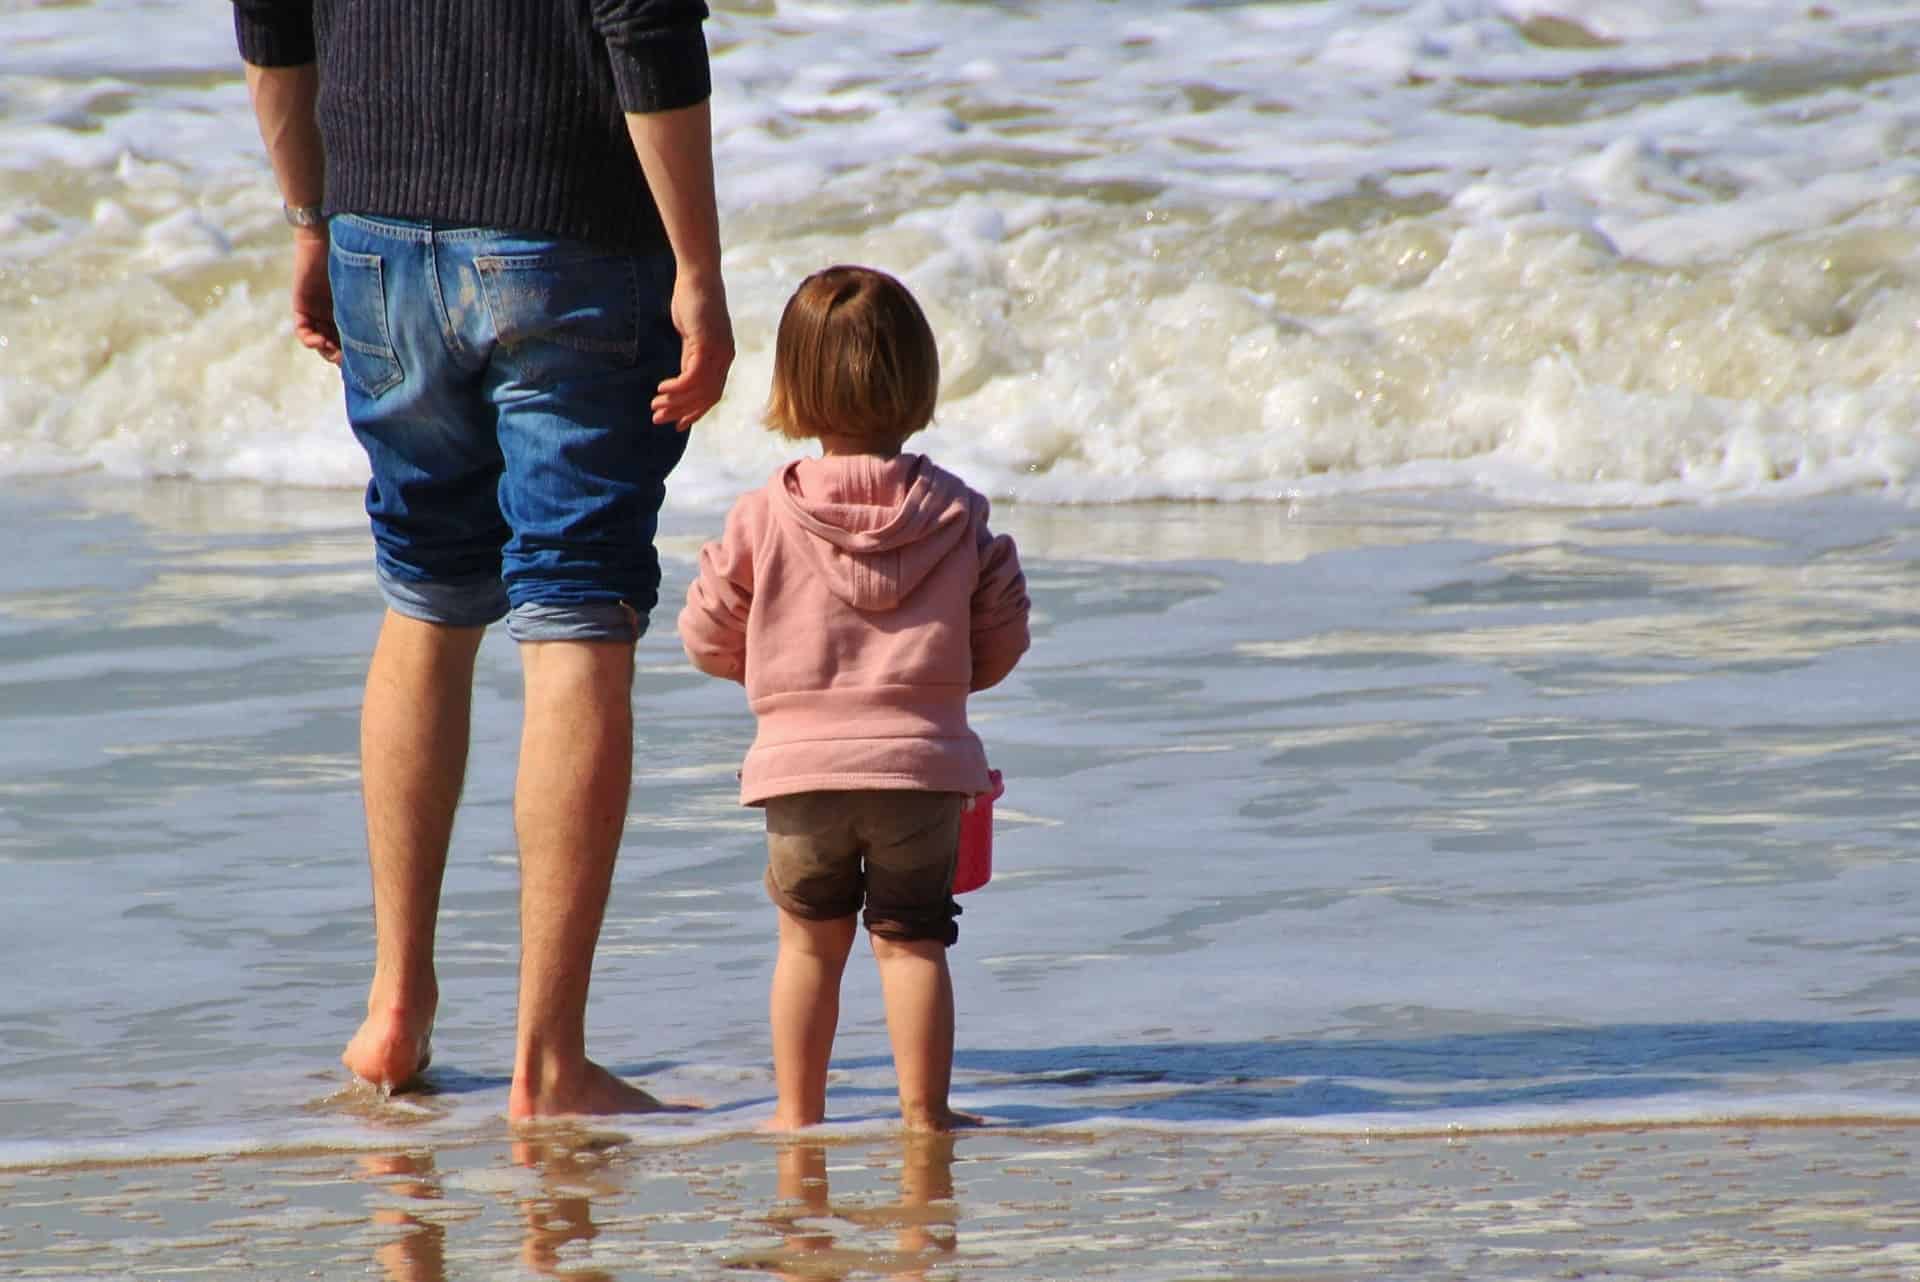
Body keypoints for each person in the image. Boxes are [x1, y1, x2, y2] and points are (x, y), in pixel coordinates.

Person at [231, 0, 734, 1118]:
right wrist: (698, 263)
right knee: (576, 611)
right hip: (568, 226)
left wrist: (310, 218)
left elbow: (269, 16)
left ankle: (394, 1010)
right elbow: (644, 19)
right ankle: (550, 1061)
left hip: (376, 222)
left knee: (424, 593)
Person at [678, 266, 1029, 1132]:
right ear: (919, 380)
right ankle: (926, 1117)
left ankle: (797, 1115)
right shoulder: (957, 512)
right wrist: (941, 689)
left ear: (790, 386)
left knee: (807, 944)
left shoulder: (764, 514)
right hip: (922, 768)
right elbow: (1001, 637)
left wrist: (779, 687)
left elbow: (705, 632)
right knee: (912, 943)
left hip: (798, 773)